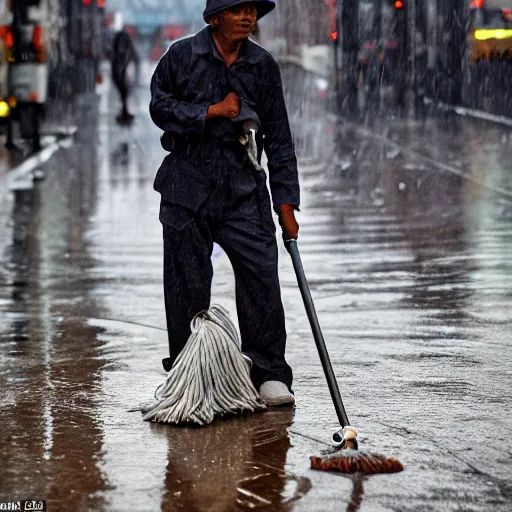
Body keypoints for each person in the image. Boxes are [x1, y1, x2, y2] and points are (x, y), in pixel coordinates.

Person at [150, 0, 300, 406]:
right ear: (215, 18)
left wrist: (286, 201)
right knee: (186, 286)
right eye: (238, 10)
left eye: (252, 10)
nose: (248, 17)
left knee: (261, 275)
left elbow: (280, 138)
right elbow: (159, 106)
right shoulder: (182, 56)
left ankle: (268, 371)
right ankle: (188, 370)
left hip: (243, 187)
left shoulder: (262, 65)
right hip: (187, 185)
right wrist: (211, 111)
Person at [111, 13, 139, 124]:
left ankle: (124, 112)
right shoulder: (123, 38)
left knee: (124, 92)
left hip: (119, 69)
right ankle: (124, 112)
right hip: (120, 69)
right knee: (124, 92)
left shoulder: (121, 38)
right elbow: (125, 54)